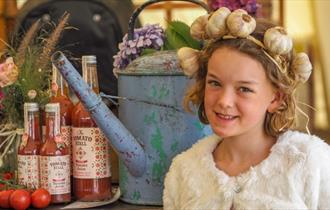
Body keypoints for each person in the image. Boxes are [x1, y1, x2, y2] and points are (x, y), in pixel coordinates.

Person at [163, 7, 330, 209]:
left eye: (244, 89)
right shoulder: (184, 171)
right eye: (215, 83)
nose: (224, 101)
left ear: (276, 98)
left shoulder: (309, 162)